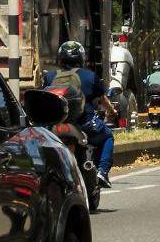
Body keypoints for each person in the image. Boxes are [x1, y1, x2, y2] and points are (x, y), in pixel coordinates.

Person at [44, 41, 117, 188]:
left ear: (60, 58)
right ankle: (102, 171)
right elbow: (103, 99)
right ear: (81, 58)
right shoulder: (90, 76)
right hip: (85, 124)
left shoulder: (50, 76)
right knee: (108, 136)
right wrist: (112, 111)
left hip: (55, 124)